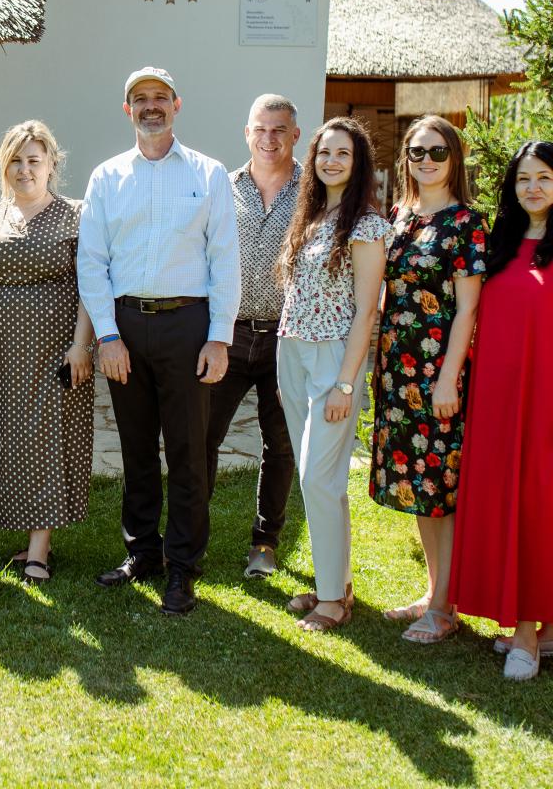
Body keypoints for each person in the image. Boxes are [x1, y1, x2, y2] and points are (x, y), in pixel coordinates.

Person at [78, 67, 239, 616]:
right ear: (127, 110)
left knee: (189, 452)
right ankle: (142, 552)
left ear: (177, 104)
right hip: (125, 327)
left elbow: (225, 261)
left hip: (187, 325)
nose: (151, 106)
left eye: (160, 98)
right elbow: (92, 261)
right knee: (137, 447)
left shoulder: (209, 173)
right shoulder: (106, 177)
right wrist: (106, 335)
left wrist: (219, 339)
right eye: (140, 99)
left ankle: (183, 567)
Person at [370, 116, 484, 642]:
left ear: (454, 158)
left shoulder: (466, 223)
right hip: (397, 369)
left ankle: (445, 607)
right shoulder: (399, 216)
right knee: (419, 483)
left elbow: (467, 312)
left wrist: (447, 379)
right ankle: (434, 592)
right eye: (417, 152)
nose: (427, 160)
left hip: (438, 370)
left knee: (440, 481)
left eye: (437, 151)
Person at [0, 120, 94, 584]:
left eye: (34, 160)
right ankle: (28, 533)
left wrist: (81, 345)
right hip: (1, 350)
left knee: (50, 440)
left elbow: (90, 286)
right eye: (15, 161)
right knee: (11, 439)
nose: (24, 170)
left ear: (51, 165)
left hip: (57, 349)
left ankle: (40, 546)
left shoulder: (77, 215)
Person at [277, 117, 389, 633]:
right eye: (325, 153)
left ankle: (330, 604)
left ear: (357, 160)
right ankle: (336, 583)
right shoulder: (312, 216)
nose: (332, 161)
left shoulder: (364, 224)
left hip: (332, 359)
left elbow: (368, 311)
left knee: (316, 477)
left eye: (343, 154)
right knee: (321, 480)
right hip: (293, 353)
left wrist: (346, 382)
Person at [449, 140, 553, 681]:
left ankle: (530, 634)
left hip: (546, 399)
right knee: (503, 497)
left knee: (540, 500)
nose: (533, 188)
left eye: (544, 178)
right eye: (523, 179)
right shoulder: (500, 243)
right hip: (497, 393)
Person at [205, 94, 301, 580]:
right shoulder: (221, 187)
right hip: (230, 332)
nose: (269, 138)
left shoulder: (313, 191)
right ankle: (190, 536)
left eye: (279, 129)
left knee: (279, 443)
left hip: (289, 337)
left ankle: (265, 542)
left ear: (294, 136)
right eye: (261, 129)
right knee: (204, 435)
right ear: (247, 133)